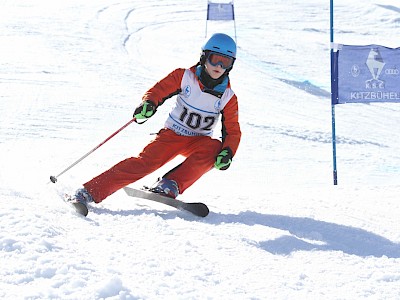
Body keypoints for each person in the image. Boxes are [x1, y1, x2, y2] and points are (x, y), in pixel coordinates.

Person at [71, 33, 241, 210]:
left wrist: (228, 152)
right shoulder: (184, 77)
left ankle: (169, 185)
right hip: (173, 134)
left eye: (225, 62)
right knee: (145, 164)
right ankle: (88, 192)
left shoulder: (228, 97)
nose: (219, 66)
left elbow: (233, 130)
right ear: (205, 57)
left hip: (199, 142)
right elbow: (159, 90)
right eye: (215, 59)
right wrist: (149, 103)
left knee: (215, 148)